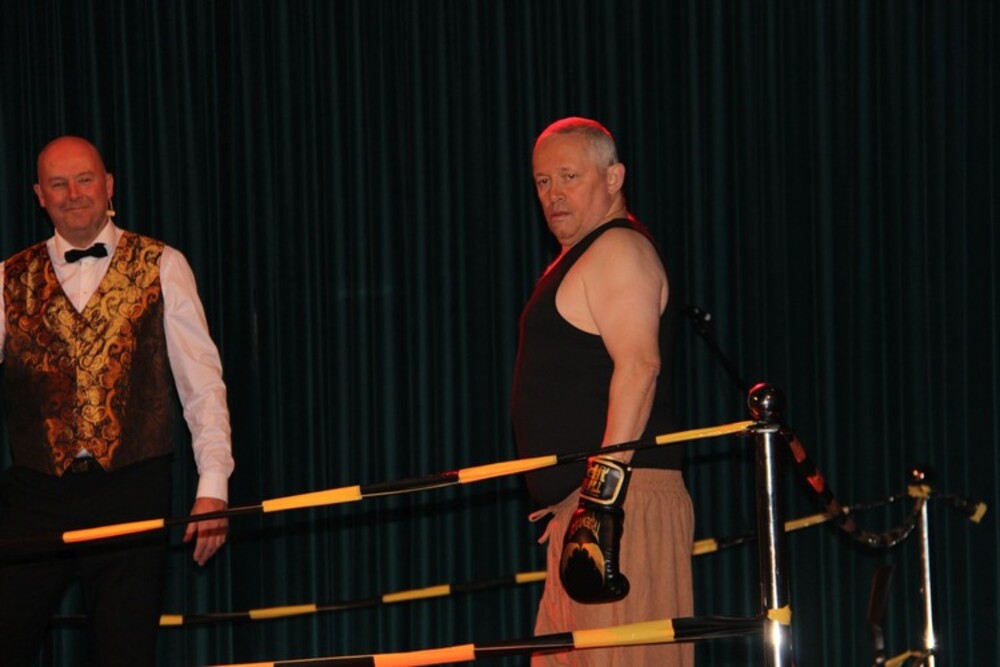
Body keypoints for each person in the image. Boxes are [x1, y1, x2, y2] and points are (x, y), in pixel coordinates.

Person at [0, 135, 235, 665]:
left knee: (124, 653)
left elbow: (202, 385)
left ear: (108, 185)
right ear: (39, 195)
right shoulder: (8, 278)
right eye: (58, 183)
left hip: (133, 486)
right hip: (36, 493)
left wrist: (213, 488)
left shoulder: (163, 264)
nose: (73, 193)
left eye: (84, 179)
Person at [511, 117, 694, 666]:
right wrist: (578, 503)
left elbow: (639, 365)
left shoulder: (618, 249)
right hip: (585, 509)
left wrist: (600, 498)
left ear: (614, 178)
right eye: (543, 181)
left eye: (569, 176)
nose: (554, 194)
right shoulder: (583, 256)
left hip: (620, 504)